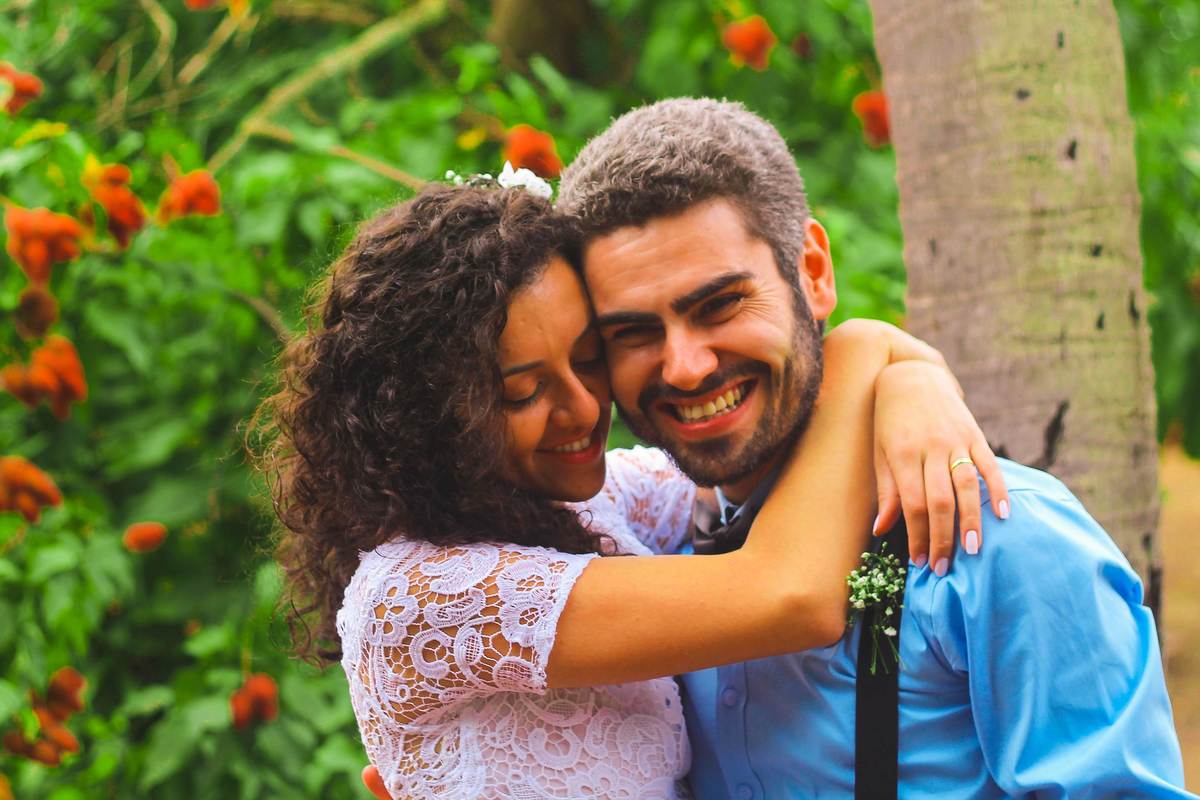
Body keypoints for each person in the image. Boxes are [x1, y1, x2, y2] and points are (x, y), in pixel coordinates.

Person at [255, 182, 1005, 799]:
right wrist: (867, 344)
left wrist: (915, 382)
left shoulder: (594, 502)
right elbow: (791, 594)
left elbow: (765, 466)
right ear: (429, 418)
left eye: (589, 360)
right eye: (522, 393)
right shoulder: (414, 599)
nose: (583, 410)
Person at [545, 97, 1187, 797]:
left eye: (720, 305)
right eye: (632, 333)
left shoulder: (1000, 538)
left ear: (814, 275)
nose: (686, 366)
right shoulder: (645, 550)